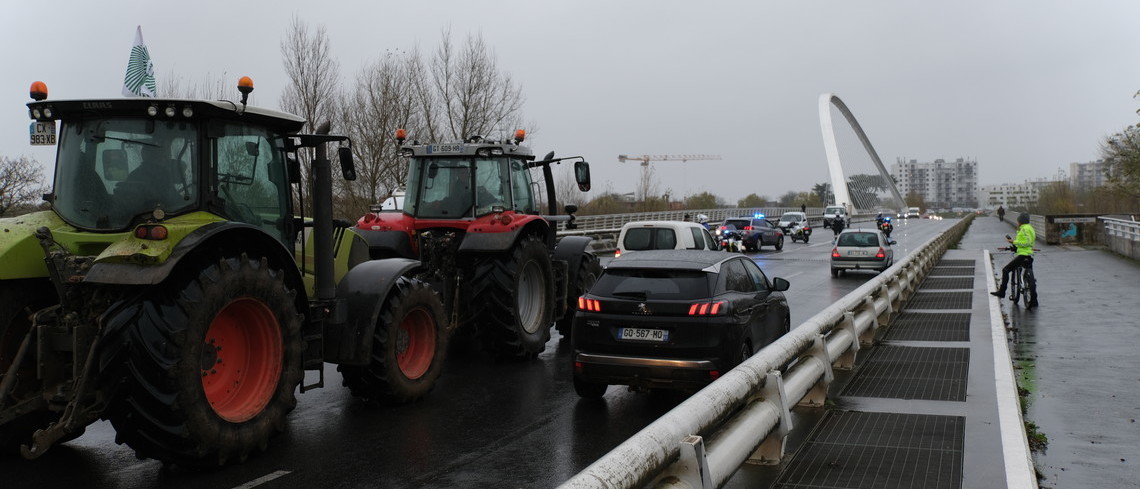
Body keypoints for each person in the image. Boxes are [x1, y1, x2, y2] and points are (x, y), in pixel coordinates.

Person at [992, 212, 1038, 308]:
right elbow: (1028, 242)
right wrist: (1016, 245)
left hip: (1023, 255)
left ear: (1021, 221)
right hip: (1029, 255)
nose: (1017, 222)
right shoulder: (1030, 228)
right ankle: (1034, 301)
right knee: (1031, 279)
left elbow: (1026, 242)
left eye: (1018, 221)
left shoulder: (1024, 229)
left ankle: (1002, 292)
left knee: (1006, 270)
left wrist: (1014, 241)